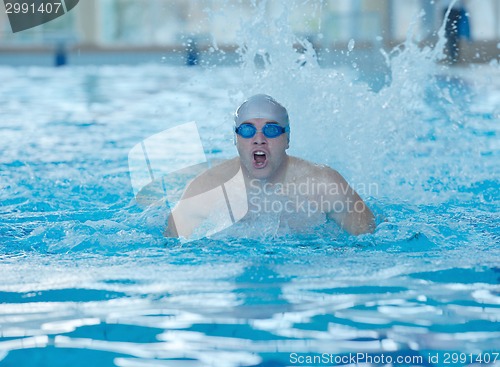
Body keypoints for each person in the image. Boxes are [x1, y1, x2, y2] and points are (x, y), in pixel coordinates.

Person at [165, 94, 375, 239]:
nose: (259, 139)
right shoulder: (205, 189)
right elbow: (168, 250)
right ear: (236, 139)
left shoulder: (325, 185)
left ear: (287, 138)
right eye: (247, 130)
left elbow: (372, 241)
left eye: (272, 130)